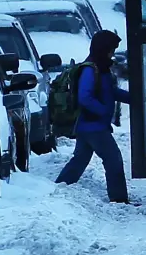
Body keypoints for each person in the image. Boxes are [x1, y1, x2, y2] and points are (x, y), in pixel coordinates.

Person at [55, 30, 133, 204]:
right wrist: (103, 111)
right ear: (102, 49)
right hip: (93, 126)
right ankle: (118, 199)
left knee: (79, 160)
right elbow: (85, 97)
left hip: (88, 126)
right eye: (111, 49)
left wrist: (136, 99)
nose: (112, 53)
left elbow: (110, 92)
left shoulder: (102, 69)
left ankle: (58, 190)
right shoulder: (91, 70)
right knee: (113, 159)